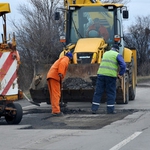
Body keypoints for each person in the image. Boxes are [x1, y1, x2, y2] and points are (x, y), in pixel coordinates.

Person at [91, 44, 126, 114]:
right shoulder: (117, 54)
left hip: (101, 75)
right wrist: (120, 74)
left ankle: (94, 109)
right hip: (110, 76)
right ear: (117, 50)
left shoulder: (105, 53)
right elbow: (123, 65)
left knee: (98, 92)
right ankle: (110, 110)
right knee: (111, 93)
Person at [47, 52, 73, 116]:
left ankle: (54, 110)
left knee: (53, 95)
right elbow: (62, 64)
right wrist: (60, 73)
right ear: (70, 58)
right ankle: (56, 111)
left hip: (51, 76)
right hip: (55, 77)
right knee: (56, 94)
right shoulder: (65, 59)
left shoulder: (61, 59)